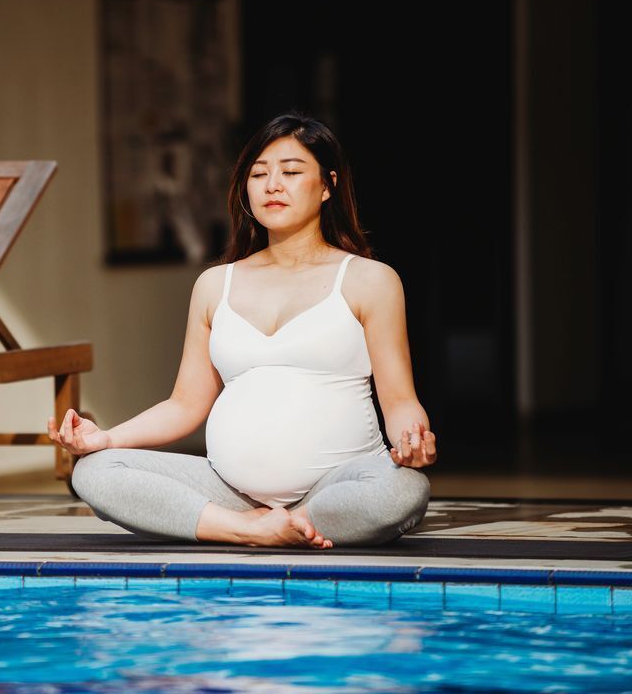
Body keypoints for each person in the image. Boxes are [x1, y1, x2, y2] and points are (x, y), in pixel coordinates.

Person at [48, 113, 436, 548]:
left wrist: (411, 442)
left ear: (327, 185)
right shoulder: (215, 284)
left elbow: (400, 400)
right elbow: (185, 405)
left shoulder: (370, 279)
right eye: (258, 174)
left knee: (404, 490)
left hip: (337, 487)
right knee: (95, 471)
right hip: (229, 493)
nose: (273, 185)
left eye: (291, 172)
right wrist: (106, 438)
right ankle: (251, 528)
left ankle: (295, 521)